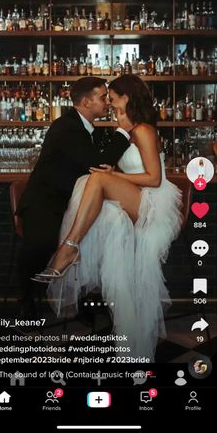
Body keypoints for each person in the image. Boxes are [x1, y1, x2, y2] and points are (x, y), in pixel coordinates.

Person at [33, 75, 183, 361]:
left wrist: (114, 175)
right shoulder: (124, 129)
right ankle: (74, 251)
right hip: (134, 197)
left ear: (127, 97)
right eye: (105, 97)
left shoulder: (144, 130)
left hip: (153, 202)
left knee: (99, 180)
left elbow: (154, 178)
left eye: (112, 96)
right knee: (97, 188)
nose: (109, 101)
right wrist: (113, 161)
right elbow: (104, 163)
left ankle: (69, 247)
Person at [16, 76, 131, 316]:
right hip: (45, 203)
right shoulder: (66, 127)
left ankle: (87, 302)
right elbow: (96, 164)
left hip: (71, 203)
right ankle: (26, 303)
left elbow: (97, 165)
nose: (107, 103)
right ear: (87, 102)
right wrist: (124, 131)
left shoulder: (88, 129)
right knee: (41, 244)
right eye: (102, 98)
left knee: (103, 232)